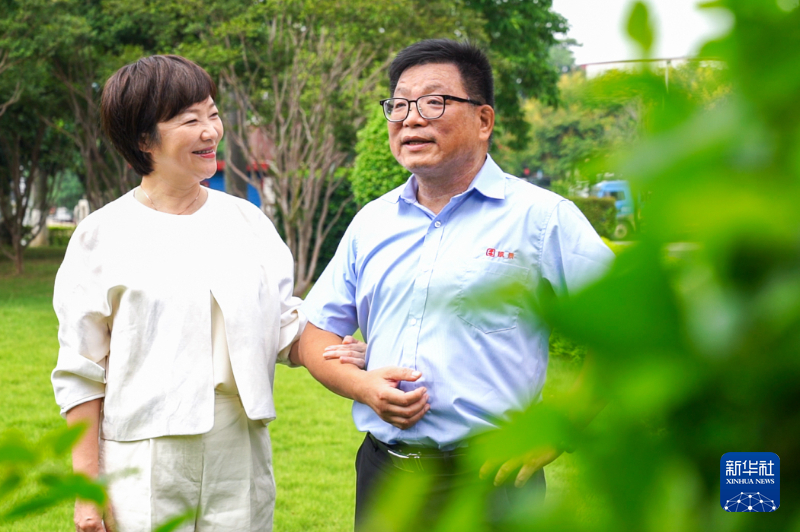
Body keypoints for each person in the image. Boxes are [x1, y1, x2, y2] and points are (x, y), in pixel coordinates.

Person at [295, 39, 614, 528]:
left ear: (483, 120)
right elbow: (316, 334)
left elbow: (625, 326)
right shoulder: (371, 223)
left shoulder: (542, 218)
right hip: (385, 475)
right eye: (399, 105)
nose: (410, 119)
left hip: (492, 480)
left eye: (433, 102)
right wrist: (363, 386)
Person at [51, 55, 365, 532]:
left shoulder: (247, 223)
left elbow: (285, 326)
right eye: (189, 119)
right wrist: (87, 492)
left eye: (212, 114)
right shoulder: (101, 235)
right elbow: (80, 373)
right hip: (142, 457)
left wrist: (331, 347)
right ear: (143, 139)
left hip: (238, 449)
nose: (210, 131)